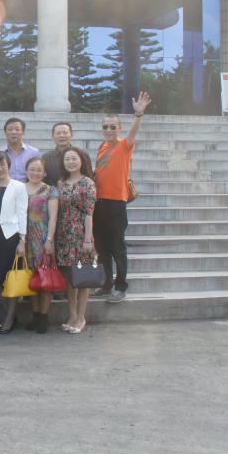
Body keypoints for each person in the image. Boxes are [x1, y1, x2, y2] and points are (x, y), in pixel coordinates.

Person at [93, 92, 152, 303]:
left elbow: (133, 133)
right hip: (98, 203)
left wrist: (138, 115)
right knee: (102, 248)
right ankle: (107, 284)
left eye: (113, 127)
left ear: (119, 128)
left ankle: (120, 286)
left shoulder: (124, 145)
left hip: (116, 203)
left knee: (117, 247)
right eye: (105, 127)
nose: (108, 130)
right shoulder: (101, 147)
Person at [0, 150, 28, 333]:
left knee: (9, 280)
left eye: (2, 164)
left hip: (10, 238)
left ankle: (9, 319)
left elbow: (22, 213)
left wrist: (22, 240)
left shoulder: (18, 186)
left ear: (8, 165)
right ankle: (11, 314)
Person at [56, 147, 97, 334]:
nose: (71, 162)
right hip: (64, 236)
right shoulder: (61, 183)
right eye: (67, 159)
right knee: (69, 278)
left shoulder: (88, 183)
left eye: (74, 158)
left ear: (81, 161)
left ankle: (81, 317)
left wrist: (88, 239)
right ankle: (71, 315)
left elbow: (89, 213)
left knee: (82, 278)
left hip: (81, 235)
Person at [23, 157, 59, 333]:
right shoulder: (19, 189)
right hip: (25, 240)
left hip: (43, 239)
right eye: (32, 169)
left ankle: (44, 317)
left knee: (45, 279)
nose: (35, 173)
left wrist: (49, 240)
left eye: (39, 170)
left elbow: (53, 217)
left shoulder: (50, 190)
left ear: (44, 172)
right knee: (32, 279)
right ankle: (35, 315)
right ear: (26, 171)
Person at [2, 117, 40, 182]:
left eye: (17, 129)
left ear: (23, 132)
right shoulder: (0, 153)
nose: (14, 132)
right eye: (10, 129)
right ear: (5, 133)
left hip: (28, 187)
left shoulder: (34, 153)